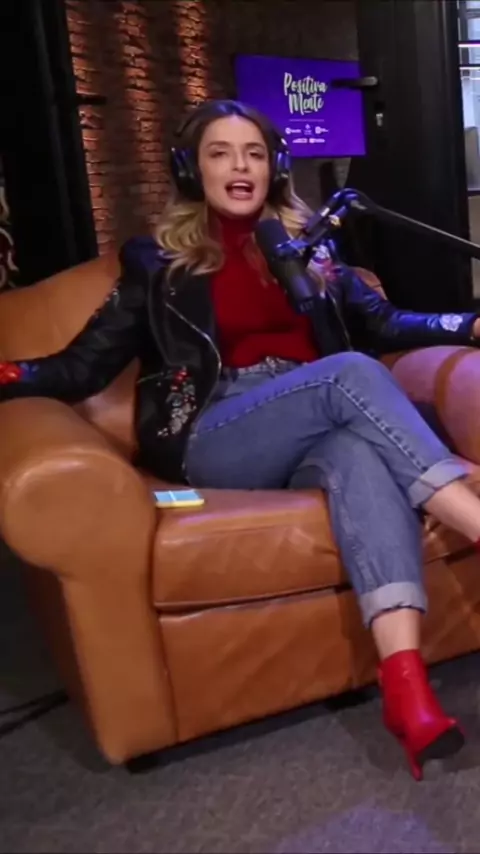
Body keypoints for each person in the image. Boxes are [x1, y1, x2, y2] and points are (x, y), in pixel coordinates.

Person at [2, 99, 480, 780]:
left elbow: (381, 321)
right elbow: (83, 366)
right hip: (216, 427)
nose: (240, 167)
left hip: (314, 415)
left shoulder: (308, 247)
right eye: (220, 153)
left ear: (275, 166)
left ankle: (406, 691)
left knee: (357, 456)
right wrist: (12, 372)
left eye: (254, 153)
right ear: (191, 170)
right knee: (349, 374)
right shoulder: (157, 259)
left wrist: (466, 324)